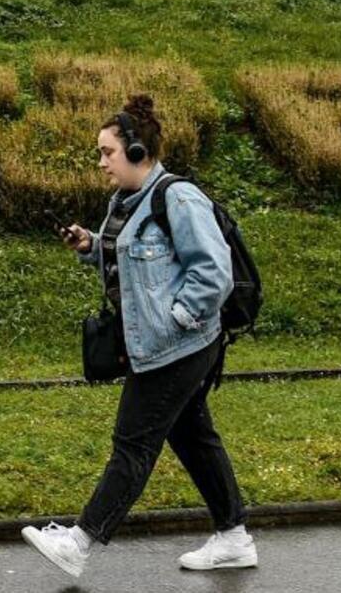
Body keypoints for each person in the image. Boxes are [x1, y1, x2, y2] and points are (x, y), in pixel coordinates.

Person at [21, 93, 255, 577]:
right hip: (161, 345)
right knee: (193, 436)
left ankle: (80, 541)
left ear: (136, 152)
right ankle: (233, 537)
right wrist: (90, 244)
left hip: (179, 345)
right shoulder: (125, 202)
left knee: (133, 441)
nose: (102, 162)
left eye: (108, 152)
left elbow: (213, 272)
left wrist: (176, 318)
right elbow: (134, 261)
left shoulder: (179, 197)